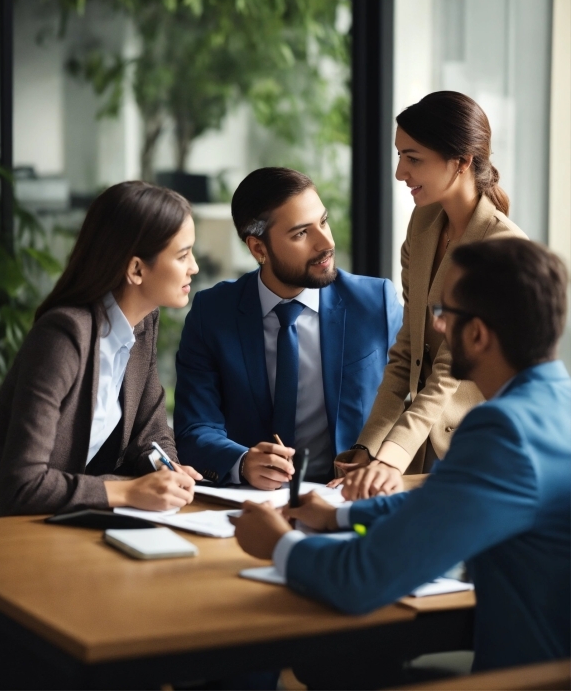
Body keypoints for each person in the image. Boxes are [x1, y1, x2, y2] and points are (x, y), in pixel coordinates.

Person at [231, 238, 571, 681]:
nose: (439, 327)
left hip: (529, 680)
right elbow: (446, 500)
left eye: (444, 314)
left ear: (477, 334)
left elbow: (359, 580)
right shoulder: (555, 405)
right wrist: (340, 516)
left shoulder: (504, 431)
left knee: (330, 666)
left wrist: (276, 542)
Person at [335, 91, 526, 500]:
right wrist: (368, 447)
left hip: (474, 451)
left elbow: (447, 372)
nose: (400, 172)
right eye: (400, 155)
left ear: (461, 162)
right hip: (416, 448)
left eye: (413, 157)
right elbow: (407, 352)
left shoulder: (500, 246)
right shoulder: (423, 225)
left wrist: (389, 459)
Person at [0, 181, 202, 518]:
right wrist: (128, 491)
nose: (194, 267)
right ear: (136, 269)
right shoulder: (63, 336)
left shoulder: (143, 323)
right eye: (183, 255)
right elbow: (21, 485)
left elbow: (150, 432)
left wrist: (166, 468)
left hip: (56, 525)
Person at [174, 167, 402, 488]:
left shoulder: (375, 302)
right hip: (251, 505)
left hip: (347, 496)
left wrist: (382, 460)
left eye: (323, 222)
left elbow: (413, 398)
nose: (326, 243)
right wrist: (241, 462)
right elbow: (195, 427)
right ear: (258, 249)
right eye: (301, 233)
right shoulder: (212, 313)